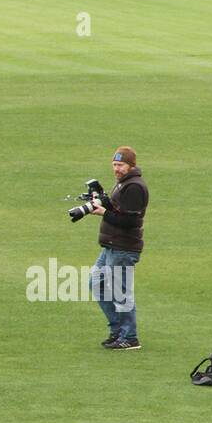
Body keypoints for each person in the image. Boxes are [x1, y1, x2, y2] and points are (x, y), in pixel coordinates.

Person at [89, 147, 149, 351]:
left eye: (120, 165)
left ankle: (129, 337)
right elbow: (118, 208)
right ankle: (118, 330)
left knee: (121, 293)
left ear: (131, 165)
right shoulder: (124, 183)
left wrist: (103, 212)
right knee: (96, 283)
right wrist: (102, 201)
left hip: (124, 248)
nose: (116, 169)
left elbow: (130, 221)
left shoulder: (134, 187)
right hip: (111, 246)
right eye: (114, 165)